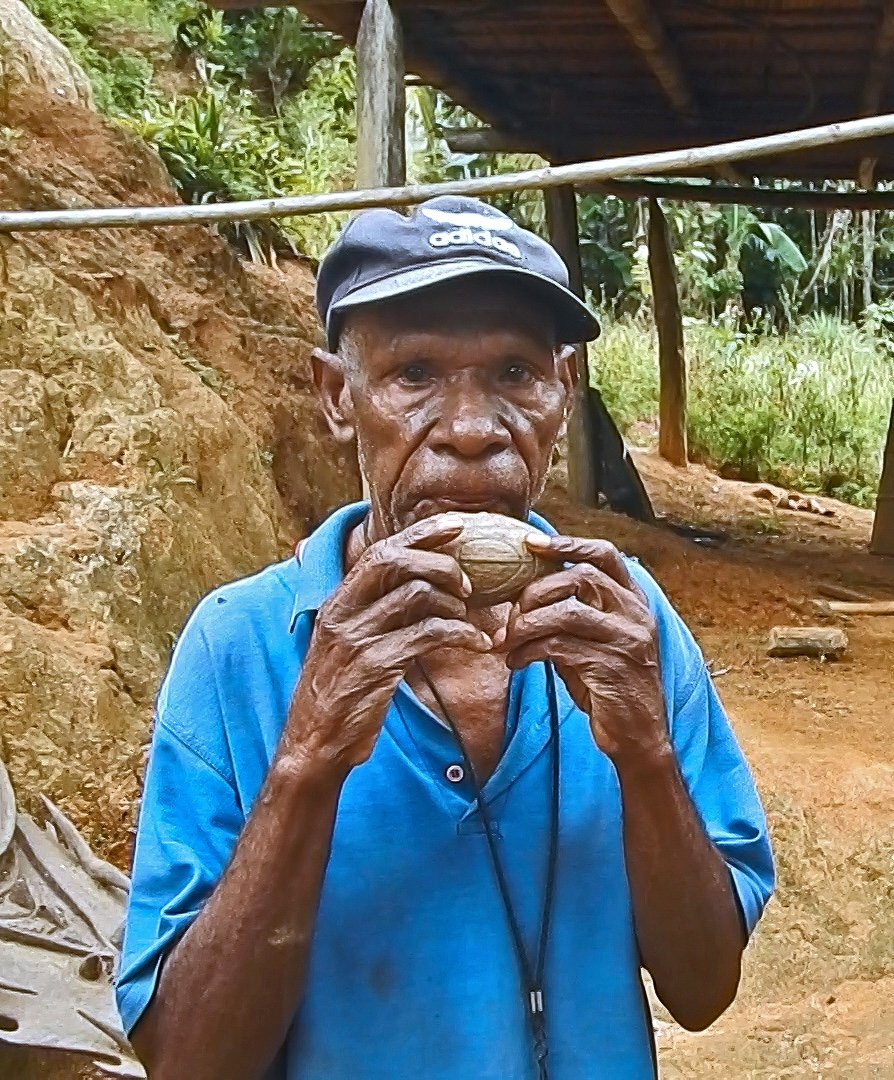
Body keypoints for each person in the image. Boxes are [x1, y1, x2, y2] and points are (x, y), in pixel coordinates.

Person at [116, 196, 774, 1080]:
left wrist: (646, 754)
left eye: (514, 373)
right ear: (337, 398)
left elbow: (703, 991)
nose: (471, 432)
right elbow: (186, 1062)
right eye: (415, 373)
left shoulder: (623, 617)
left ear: (564, 391)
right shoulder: (241, 646)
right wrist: (308, 758)